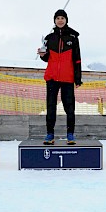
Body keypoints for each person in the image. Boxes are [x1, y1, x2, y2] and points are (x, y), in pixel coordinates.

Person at [37, 9, 82, 145]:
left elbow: (77, 60)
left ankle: (70, 135)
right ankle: (50, 134)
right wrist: (42, 55)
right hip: (51, 77)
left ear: (66, 20)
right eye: (58, 18)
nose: (60, 20)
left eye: (62, 18)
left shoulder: (73, 37)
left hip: (67, 78)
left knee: (69, 107)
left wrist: (77, 78)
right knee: (51, 106)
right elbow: (46, 59)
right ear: (54, 21)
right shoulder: (49, 38)